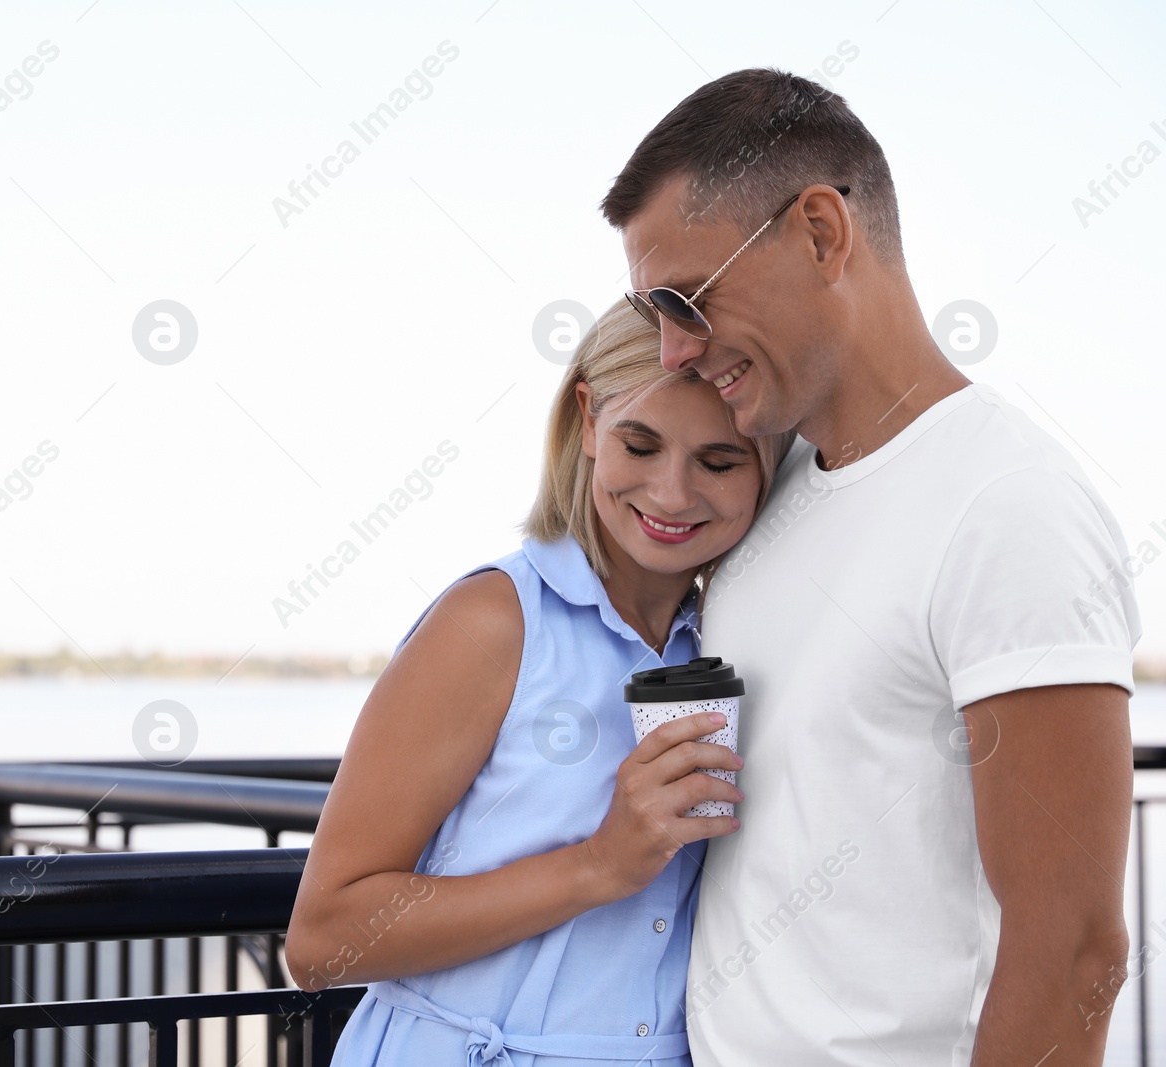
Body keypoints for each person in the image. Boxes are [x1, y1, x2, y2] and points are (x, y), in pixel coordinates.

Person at [599, 68, 1142, 1065]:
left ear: (818, 232)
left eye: (684, 299)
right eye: (650, 316)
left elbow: (1073, 952)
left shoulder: (1005, 506)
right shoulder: (772, 489)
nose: (672, 350)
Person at [285, 298, 794, 1065]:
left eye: (718, 461)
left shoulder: (734, 642)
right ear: (588, 420)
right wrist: (598, 863)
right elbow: (321, 942)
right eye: (640, 444)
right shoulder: (491, 622)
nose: (671, 492)